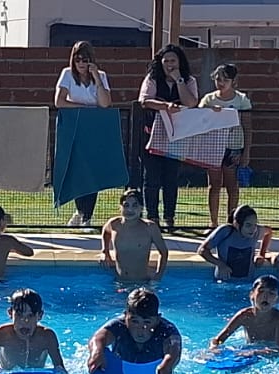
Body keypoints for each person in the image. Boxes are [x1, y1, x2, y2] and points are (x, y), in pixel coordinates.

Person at [137, 44, 199, 232]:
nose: (170, 64)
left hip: (177, 136)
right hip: (152, 134)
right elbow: (144, 100)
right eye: (166, 61)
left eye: (173, 61)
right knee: (152, 178)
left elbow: (191, 102)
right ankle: (152, 217)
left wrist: (179, 80)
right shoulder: (152, 78)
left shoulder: (189, 80)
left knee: (171, 178)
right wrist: (165, 106)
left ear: (180, 62)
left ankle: (169, 218)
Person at [55, 40, 113, 229]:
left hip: (94, 129)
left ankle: (86, 216)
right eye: (77, 59)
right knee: (78, 172)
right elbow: (59, 101)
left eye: (85, 59)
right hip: (74, 126)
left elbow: (105, 103)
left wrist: (96, 77)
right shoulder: (67, 74)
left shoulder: (101, 76)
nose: (81, 63)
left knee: (92, 173)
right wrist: (84, 108)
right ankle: (80, 212)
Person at [0, 289, 68, 374]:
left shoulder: (47, 337)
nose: (25, 321)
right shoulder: (0, 335)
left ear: (40, 315)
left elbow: (60, 369)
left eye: (30, 316)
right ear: (10, 313)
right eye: (19, 315)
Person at [86, 287, 183, 374]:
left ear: (157, 320)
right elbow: (97, 338)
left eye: (147, 322)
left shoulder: (166, 330)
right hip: (120, 372)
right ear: (125, 316)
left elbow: (175, 349)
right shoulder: (118, 325)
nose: (140, 330)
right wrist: (96, 352)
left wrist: (168, 364)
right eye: (134, 321)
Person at [200, 64, 253, 229]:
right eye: (218, 79)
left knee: (232, 184)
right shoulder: (208, 100)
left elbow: (247, 127)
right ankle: (213, 222)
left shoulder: (241, 100)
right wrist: (210, 111)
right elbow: (199, 120)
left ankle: (232, 221)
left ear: (233, 81)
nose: (221, 83)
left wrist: (246, 152)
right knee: (214, 184)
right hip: (213, 147)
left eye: (225, 79)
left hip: (233, 147)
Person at [100, 189, 168, 281]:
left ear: (141, 208)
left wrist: (159, 275)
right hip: (120, 282)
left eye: (135, 205)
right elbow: (106, 231)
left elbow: (163, 252)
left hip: (142, 283)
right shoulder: (114, 224)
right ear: (120, 207)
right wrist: (105, 252)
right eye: (126, 205)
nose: (130, 209)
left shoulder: (150, 228)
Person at [210, 275, 279, 356]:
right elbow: (218, 340)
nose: (265, 296)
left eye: (271, 293)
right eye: (261, 291)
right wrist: (214, 348)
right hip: (250, 349)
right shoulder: (244, 316)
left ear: (278, 299)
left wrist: (255, 352)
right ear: (251, 295)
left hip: (266, 354)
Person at [199, 204, 273, 282]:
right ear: (236, 224)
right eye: (248, 225)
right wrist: (220, 264)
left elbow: (268, 232)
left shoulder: (256, 231)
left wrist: (261, 254)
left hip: (247, 283)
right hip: (223, 283)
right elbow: (202, 250)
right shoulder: (225, 232)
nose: (253, 229)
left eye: (255, 224)